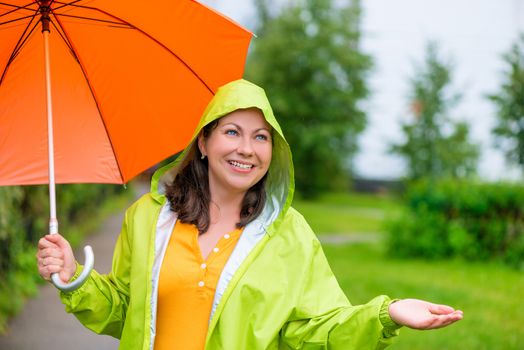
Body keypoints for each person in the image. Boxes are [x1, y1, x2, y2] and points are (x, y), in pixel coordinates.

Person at [37, 79, 463, 350]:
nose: (247, 148)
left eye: (261, 136)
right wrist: (76, 276)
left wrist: (386, 315)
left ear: (273, 151)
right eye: (232, 132)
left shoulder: (288, 233)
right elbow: (125, 314)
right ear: (203, 143)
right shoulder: (148, 217)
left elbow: (312, 331)